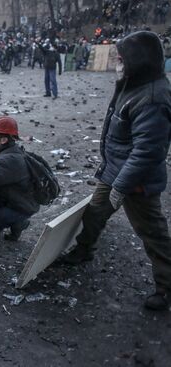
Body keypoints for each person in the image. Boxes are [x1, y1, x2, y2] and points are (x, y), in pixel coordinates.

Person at [61, 31, 171, 311]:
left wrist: (122, 187)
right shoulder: (134, 83)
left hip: (137, 182)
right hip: (116, 170)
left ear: (138, 60)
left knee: (152, 233)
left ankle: (166, 288)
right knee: (95, 212)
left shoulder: (153, 97)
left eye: (121, 58)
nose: (117, 63)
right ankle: (84, 250)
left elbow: (147, 151)